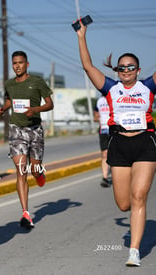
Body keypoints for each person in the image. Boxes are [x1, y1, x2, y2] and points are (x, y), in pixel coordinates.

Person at [76, 19, 156, 267]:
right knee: (124, 204)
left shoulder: (148, 87)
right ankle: (133, 216)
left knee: (139, 196)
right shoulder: (110, 88)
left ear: (138, 70)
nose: (126, 70)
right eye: (122, 68)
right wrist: (81, 36)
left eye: (131, 67)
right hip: (119, 145)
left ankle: (134, 250)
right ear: (117, 71)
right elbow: (88, 66)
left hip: (145, 142)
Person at [0, 51, 54, 230]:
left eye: (20, 63)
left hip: (35, 130)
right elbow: (10, 101)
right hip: (16, 130)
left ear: (27, 64)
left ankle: (39, 174)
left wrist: (35, 109)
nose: (17, 66)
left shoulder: (36, 82)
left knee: (35, 170)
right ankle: (25, 213)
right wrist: (3, 109)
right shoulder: (9, 84)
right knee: (21, 171)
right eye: (14, 63)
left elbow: (50, 103)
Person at [93, 95, 112, 187]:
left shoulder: (114, 97)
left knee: (117, 153)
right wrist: (98, 118)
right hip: (104, 130)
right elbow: (95, 117)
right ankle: (105, 178)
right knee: (104, 154)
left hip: (115, 129)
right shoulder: (99, 101)